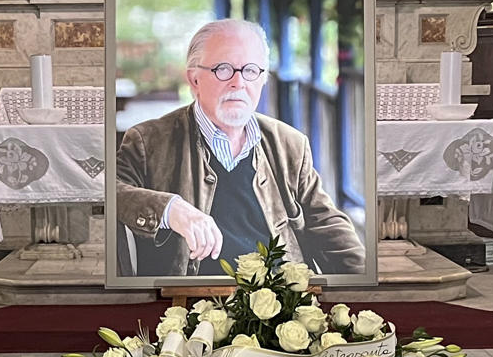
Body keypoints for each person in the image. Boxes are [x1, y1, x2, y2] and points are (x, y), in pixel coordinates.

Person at [116, 18, 365, 277]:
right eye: (223, 69)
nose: (238, 82)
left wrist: (369, 286)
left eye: (250, 70)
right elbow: (108, 192)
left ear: (262, 79)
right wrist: (170, 209)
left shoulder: (290, 144)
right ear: (194, 79)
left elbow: (327, 225)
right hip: (190, 307)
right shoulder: (148, 142)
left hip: (281, 304)